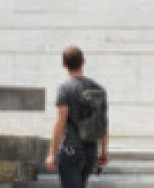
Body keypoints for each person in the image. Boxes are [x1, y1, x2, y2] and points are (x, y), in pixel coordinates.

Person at [46, 45, 108, 188]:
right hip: (91, 150)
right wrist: (103, 151)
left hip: (71, 149)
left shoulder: (65, 89)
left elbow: (60, 122)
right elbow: (103, 122)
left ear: (64, 64)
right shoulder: (98, 88)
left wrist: (52, 153)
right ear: (83, 62)